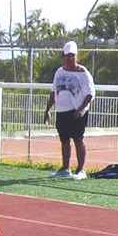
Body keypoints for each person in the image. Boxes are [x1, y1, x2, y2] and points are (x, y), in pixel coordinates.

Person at [42, 40, 95, 178]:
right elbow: (54, 92)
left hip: (77, 111)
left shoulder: (83, 73)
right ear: (63, 57)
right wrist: (47, 110)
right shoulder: (59, 72)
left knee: (78, 138)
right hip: (62, 111)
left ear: (76, 56)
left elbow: (90, 94)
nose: (70, 58)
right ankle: (65, 168)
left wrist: (81, 109)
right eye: (67, 55)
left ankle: (80, 169)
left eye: (73, 55)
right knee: (64, 140)